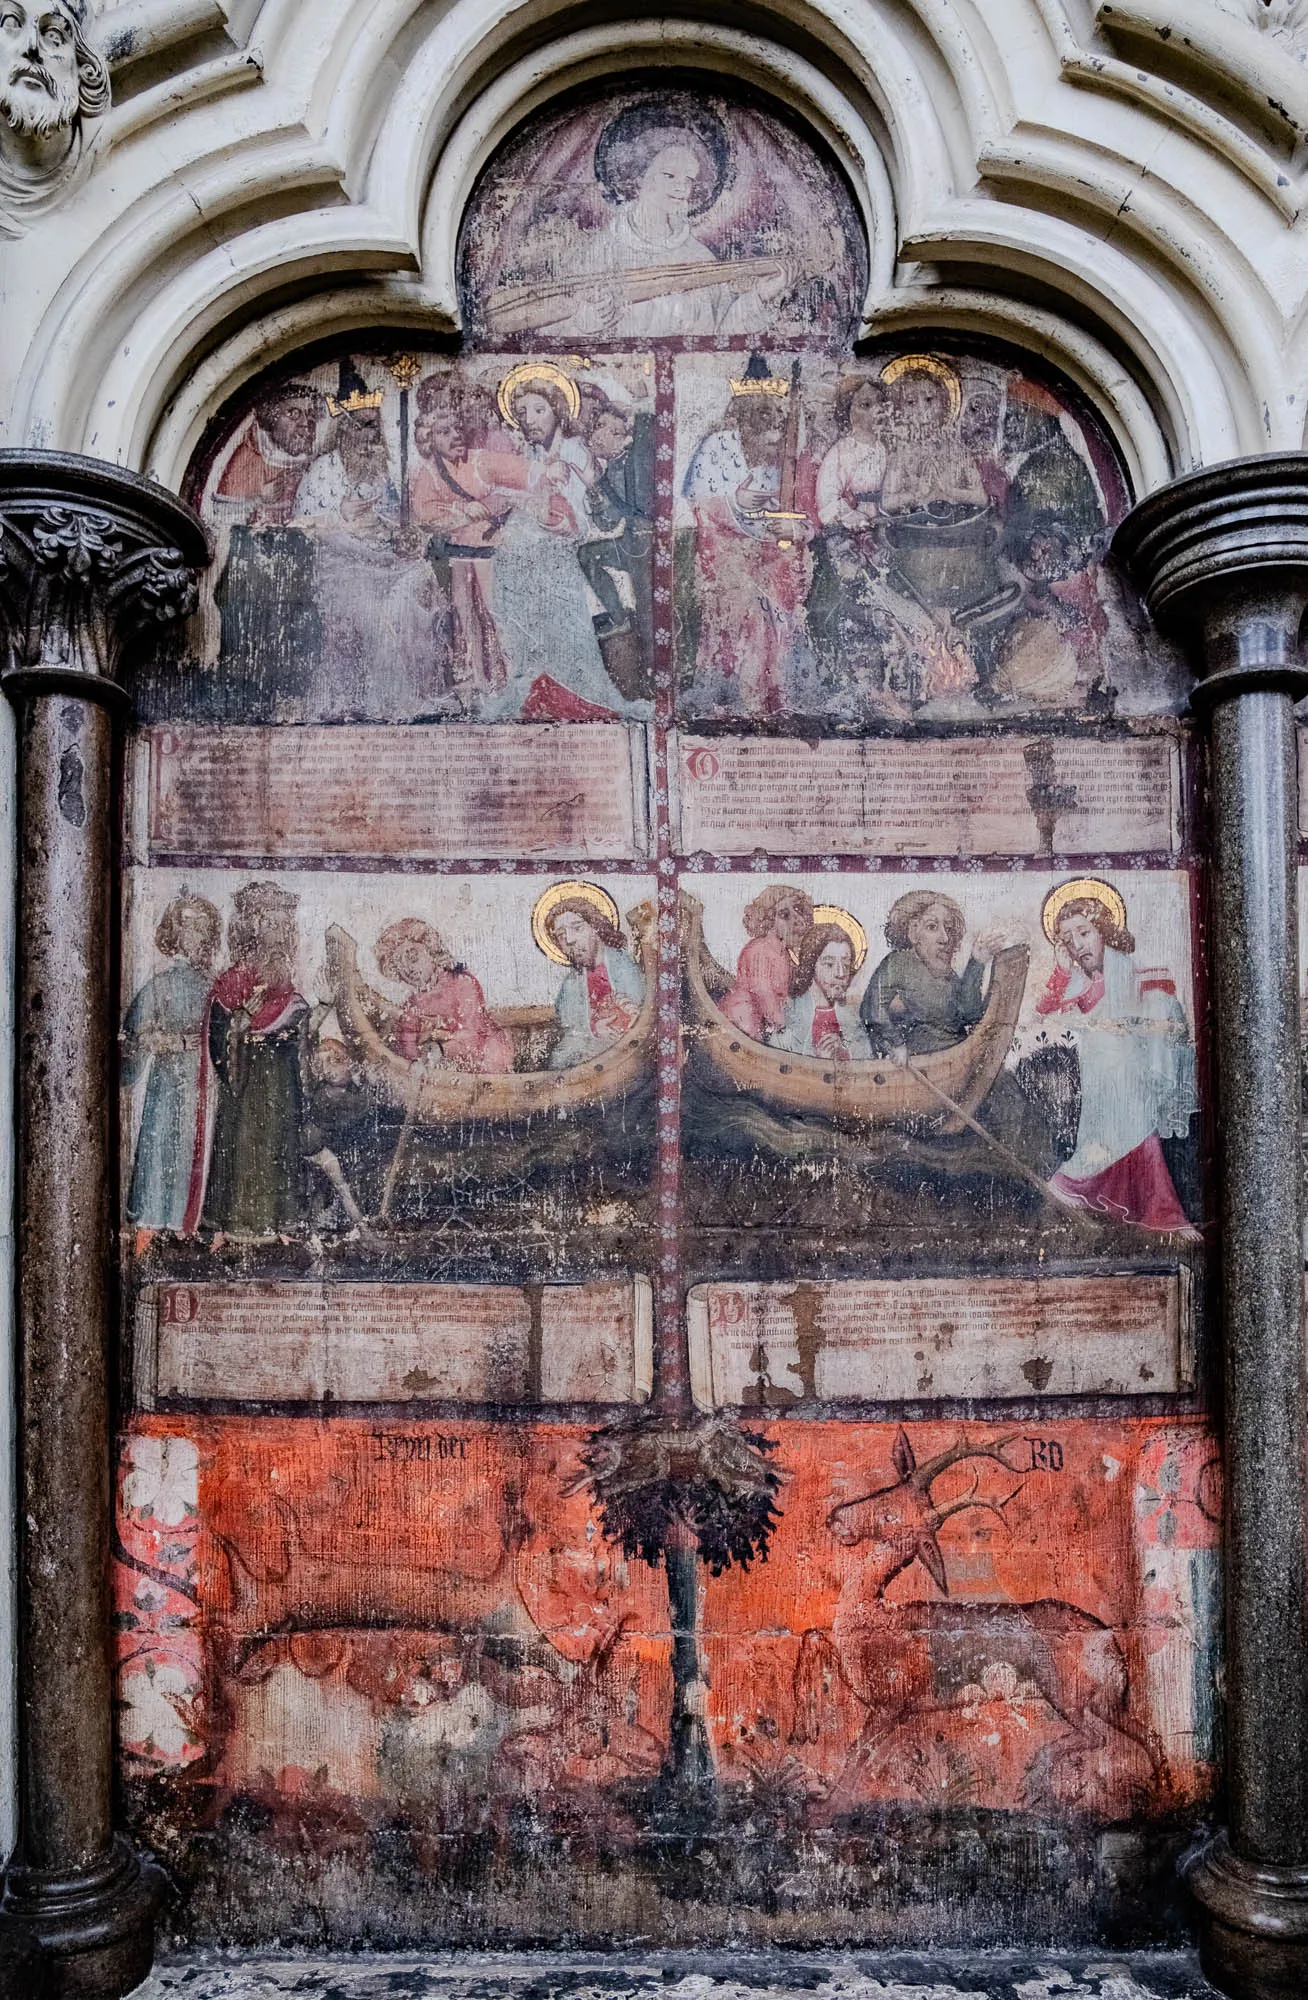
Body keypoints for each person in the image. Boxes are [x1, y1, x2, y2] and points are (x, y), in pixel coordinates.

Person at [490, 96, 789, 340]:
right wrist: (585, 323)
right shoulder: (597, 253)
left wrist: (759, 298)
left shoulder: (699, 257)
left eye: (690, 179)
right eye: (669, 175)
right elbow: (544, 331)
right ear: (637, 176)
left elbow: (722, 334)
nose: (682, 187)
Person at [481, 366, 647, 721]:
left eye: (538, 410)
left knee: (567, 637)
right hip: (524, 562)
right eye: (522, 412)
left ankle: (573, 693)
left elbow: (578, 520)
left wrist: (534, 508)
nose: (529, 420)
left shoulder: (574, 452)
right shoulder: (527, 458)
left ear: (557, 410)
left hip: (560, 562)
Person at [1036, 881, 1198, 1233]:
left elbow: (1158, 1009)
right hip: (1100, 1076)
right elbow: (1045, 1007)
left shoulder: (1129, 968)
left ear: (1103, 931)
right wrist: (1063, 969)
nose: (1077, 944)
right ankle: (1147, 1212)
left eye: (1083, 932)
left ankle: (1164, 1214)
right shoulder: (1079, 978)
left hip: (1130, 1072)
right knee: (1104, 1141)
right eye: (1067, 939)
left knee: (1140, 1135)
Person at [682, 364, 815, 716]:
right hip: (729, 554)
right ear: (743, 414)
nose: (772, 423)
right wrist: (735, 504)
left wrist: (797, 530)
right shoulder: (718, 447)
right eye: (762, 414)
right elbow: (702, 507)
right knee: (751, 610)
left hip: (774, 555)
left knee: (781, 608)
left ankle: (776, 696)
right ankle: (744, 700)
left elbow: (805, 508)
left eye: (776, 414)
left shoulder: (788, 451)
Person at [188, 881, 310, 1237]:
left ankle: (281, 1221)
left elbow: (294, 1017)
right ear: (251, 925)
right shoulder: (234, 978)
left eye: (282, 923)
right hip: (245, 1083)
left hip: (279, 1079)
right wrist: (241, 1021)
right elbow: (220, 1030)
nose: (278, 931)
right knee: (242, 1147)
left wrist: (300, 1025)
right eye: (270, 922)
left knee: (279, 1143)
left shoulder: (284, 976)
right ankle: (240, 1222)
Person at [123, 893, 222, 1233]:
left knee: (197, 1151)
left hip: (204, 1084)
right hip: (169, 1084)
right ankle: (156, 1222)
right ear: (175, 933)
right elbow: (137, 1035)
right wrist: (174, 1042)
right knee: (164, 1147)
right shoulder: (161, 984)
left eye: (204, 930)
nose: (199, 937)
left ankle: (189, 1225)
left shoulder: (212, 983)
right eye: (191, 928)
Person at [574, 383, 655, 701]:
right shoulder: (606, 476)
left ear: (624, 434)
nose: (596, 435)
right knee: (587, 554)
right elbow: (607, 522)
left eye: (606, 429)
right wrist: (594, 490)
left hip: (647, 542)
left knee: (650, 614)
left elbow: (647, 431)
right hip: (629, 542)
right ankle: (619, 616)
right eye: (595, 428)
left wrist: (643, 402)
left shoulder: (638, 456)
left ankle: (651, 675)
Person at [860, 890, 1003, 1057]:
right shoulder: (899, 963)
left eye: (948, 928)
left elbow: (969, 1014)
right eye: (932, 927)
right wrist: (896, 1044)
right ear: (913, 932)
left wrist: (976, 963)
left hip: (957, 1056)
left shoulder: (947, 973)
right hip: (923, 1063)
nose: (945, 938)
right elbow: (872, 1008)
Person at [371, 917, 514, 1075]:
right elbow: (407, 1038)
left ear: (431, 951)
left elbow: (473, 1032)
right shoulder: (413, 1004)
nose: (408, 968)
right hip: (440, 1071)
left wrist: (442, 1049)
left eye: (413, 957)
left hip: (482, 1060)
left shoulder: (462, 984)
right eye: (399, 963)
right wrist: (415, 1059)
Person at [541, 893, 646, 1070]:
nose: (569, 940)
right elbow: (570, 1029)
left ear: (595, 927)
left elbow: (642, 1007)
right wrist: (593, 1029)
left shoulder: (624, 966)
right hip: (589, 1056)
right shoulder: (570, 985)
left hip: (629, 1052)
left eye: (577, 928)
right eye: (560, 935)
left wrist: (630, 1017)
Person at [720, 884, 815, 1041]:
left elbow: (795, 988)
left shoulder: (784, 955)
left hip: (765, 1022)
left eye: (797, 912)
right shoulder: (759, 950)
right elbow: (763, 991)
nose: (795, 920)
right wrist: (781, 1025)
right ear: (768, 919)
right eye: (784, 915)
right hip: (743, 1019)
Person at [772, 921, 872, 1061]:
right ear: (811, 965)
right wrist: (816, 1057)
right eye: (829, 964)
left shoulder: (851, 1016)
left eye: (846, 964)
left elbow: (866, 1058)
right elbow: (776, 1055)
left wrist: (844, 1054)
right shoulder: (791, 1011)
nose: (840, 973)